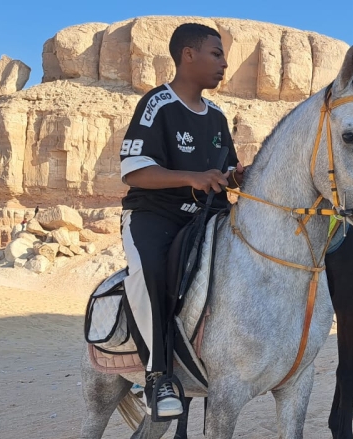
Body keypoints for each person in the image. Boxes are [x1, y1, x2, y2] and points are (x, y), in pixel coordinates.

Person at [118, 23, 243, 418]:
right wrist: (192, 177)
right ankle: (157, 377)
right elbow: (134, 171)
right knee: (151, 271)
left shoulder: (219, 117)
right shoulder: (157, 104)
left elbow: (228, 171)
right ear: (188, 55)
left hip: (207, 219)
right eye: (216, 53)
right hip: (155, 216)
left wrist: (242, 175)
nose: (224, 63)